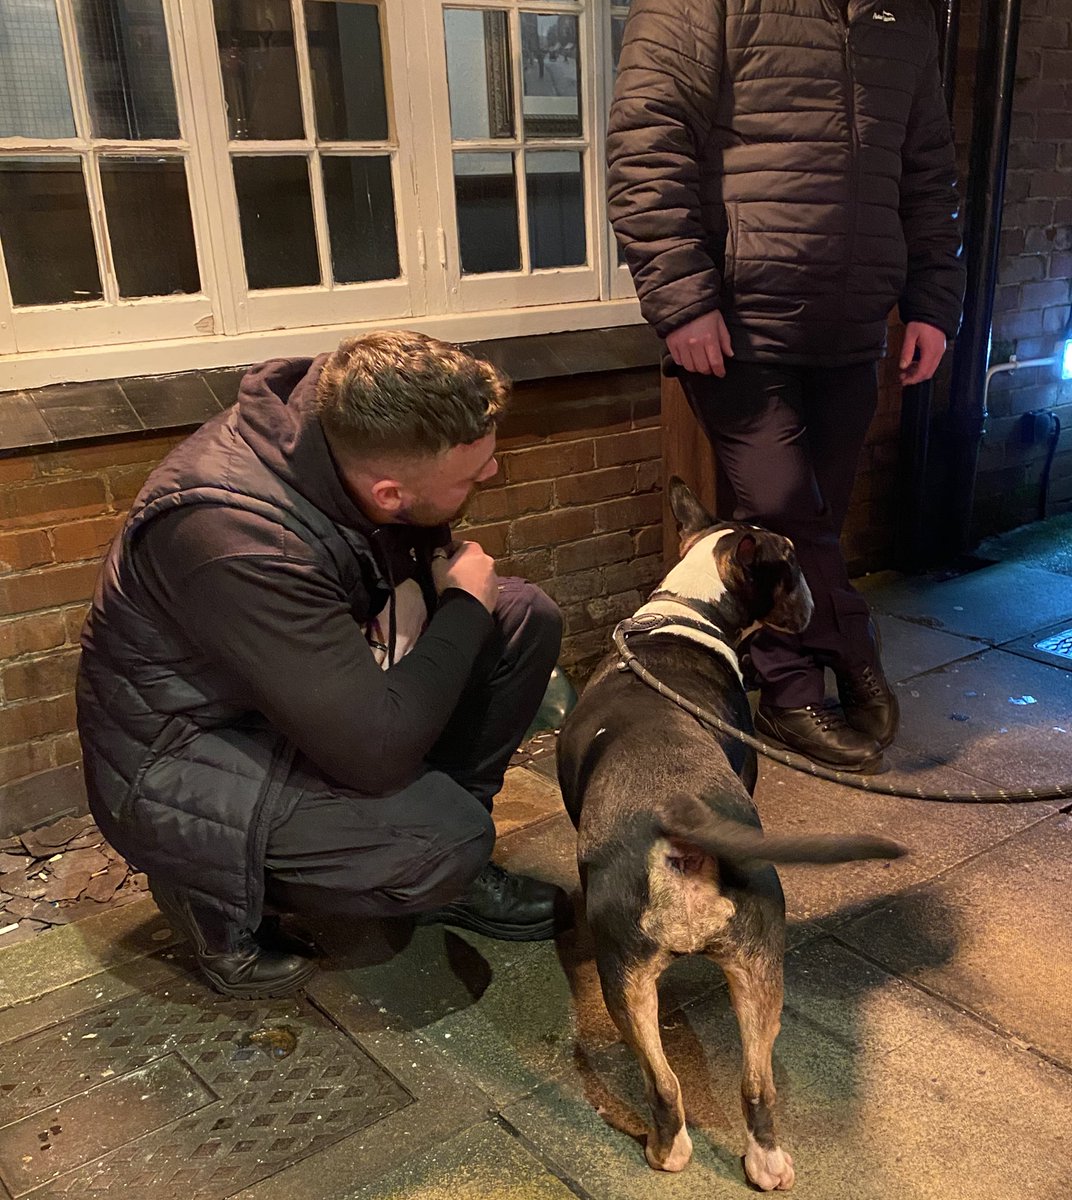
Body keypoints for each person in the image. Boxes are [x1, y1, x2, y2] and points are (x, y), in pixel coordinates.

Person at [76, 331, 570, 999]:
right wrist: (461, 609)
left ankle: (447, 863)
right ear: (388, 493)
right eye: (469, 473)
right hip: (186, 753)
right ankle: (209, 894)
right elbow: (376, 753)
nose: (491, 474)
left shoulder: (349, 434)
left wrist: (466, 613)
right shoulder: (238, 536)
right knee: (443, 843)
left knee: (523, 618)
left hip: (293, 691)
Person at [607, 0, 966, 772]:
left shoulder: (904, 16)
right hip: (739, 323)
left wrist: (934, 302)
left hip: (854, 325)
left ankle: (789, 682)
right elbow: (647, 147)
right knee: (783, 507)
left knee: (811, 523)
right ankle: (834, 662)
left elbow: (928, 171)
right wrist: (683, 300)